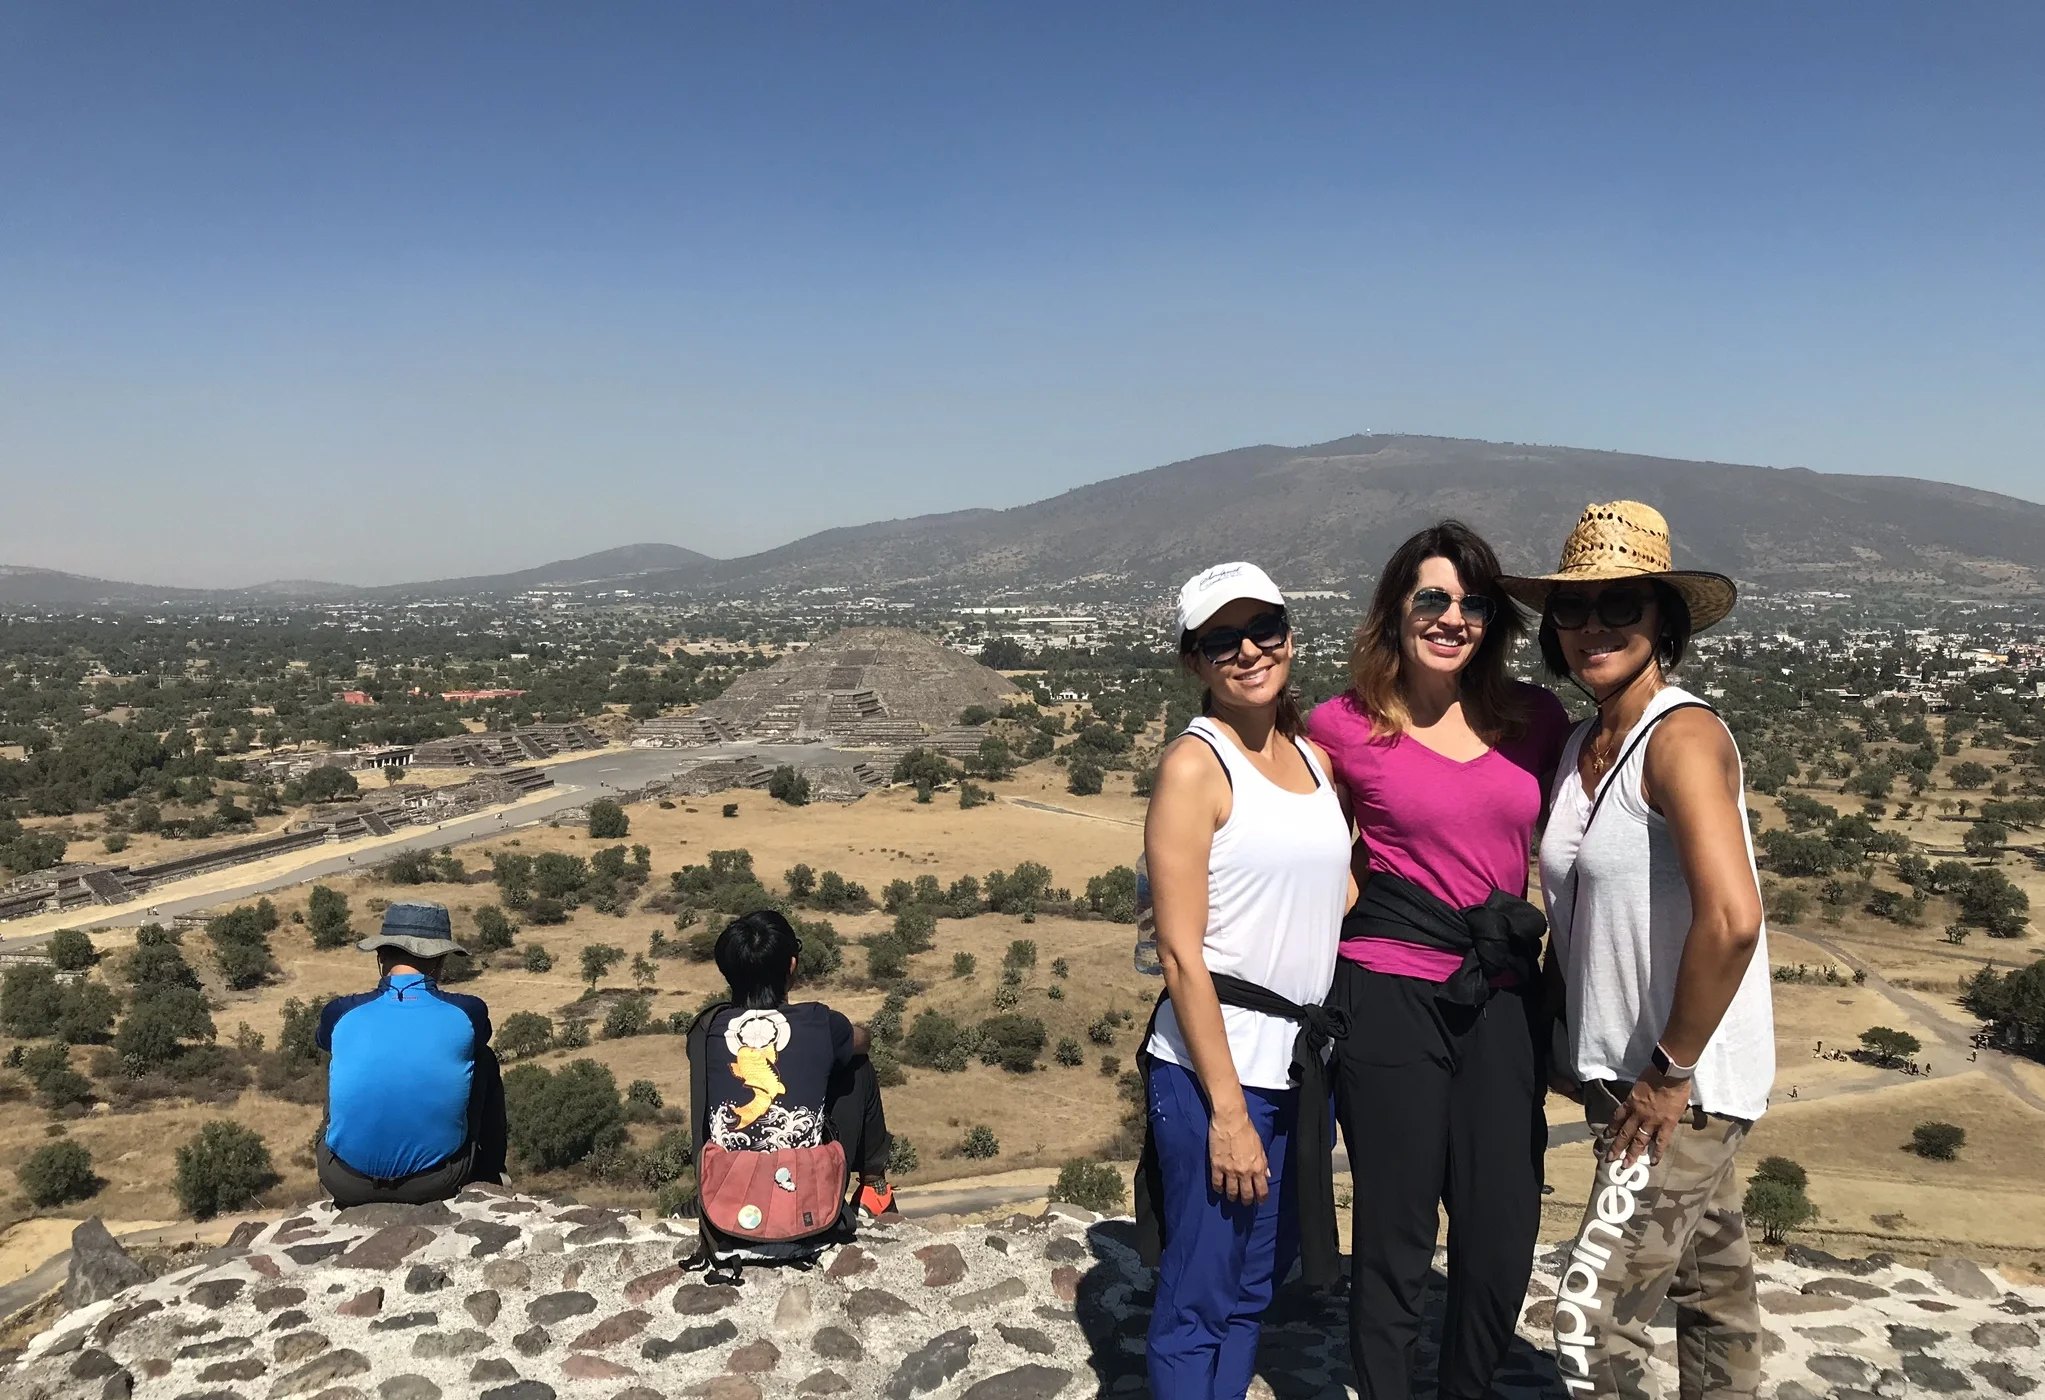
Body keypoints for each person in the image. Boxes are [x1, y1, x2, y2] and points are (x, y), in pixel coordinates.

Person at [1504, 501, 1774, 1400]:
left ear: (1663, 620)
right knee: (1712, 1290)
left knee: (1590, 1316)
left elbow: (1731, 918)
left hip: (1676, 1087)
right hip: (1633, 1077)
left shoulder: (1680, 737)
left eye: (1620, 605)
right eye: (1572, 608)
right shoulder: (1584, 743)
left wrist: (1667, 1074)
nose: (1593, 626)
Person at [1305, 521, 1572, 1400]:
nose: (1452, 618)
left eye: (1474, 604)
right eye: (1432, 598)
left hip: (1500, 992)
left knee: (1500, 1229)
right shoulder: (1341, 725)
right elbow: (1309, 852)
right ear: (1395, 609)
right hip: (1386, 991)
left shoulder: (1534, 720)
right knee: (1395, 1229)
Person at [1136, 562, 1355, 1400]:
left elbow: (1331, 894)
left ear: (1289, 636)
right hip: (1215, 1073)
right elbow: (1179, 953)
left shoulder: (1313, 759)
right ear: (1194, 661)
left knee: (1253, 1288)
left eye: (1263, 629)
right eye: (1221, 640)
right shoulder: (1196, 766)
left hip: (1297, 1069)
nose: (1249, 651)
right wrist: (1227, 1113)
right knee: (1199, 1295)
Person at [695, 910, 896, 1222]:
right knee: (858, 1066)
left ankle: (703, 1193)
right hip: (806, 1205)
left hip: (725, 1203)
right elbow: (864, 1041)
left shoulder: (706, 1029)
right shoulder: (819, 1022)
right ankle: (874, 1187)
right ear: (792, 966)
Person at [317, 901, 507, 1206]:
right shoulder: (469, 1012)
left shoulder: (339, 1012)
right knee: (481, 1058)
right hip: (435, 1182)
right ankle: (490, 1174)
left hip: (345, 1181)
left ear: (380, 956)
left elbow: (327, 1043)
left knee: (341, 1055)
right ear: (439, 960)